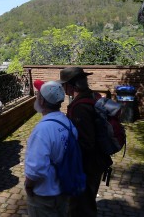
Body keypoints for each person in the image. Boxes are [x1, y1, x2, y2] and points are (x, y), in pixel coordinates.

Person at [57, 67, 113, 217]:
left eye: (64, 84)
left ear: (72, 85)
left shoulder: (80, 107)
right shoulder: (92, 96)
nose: (63, 88)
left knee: (81, 207)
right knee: (86, 202)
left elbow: (86, 143)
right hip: (97, 161)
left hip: (87, 166)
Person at [24, 80, 75, 217]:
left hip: (44, 194)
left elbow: (36, 168)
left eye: (37, 95)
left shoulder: (42, 130)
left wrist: (28, 185)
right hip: (63, 189)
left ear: (41, 101)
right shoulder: (68, 123)